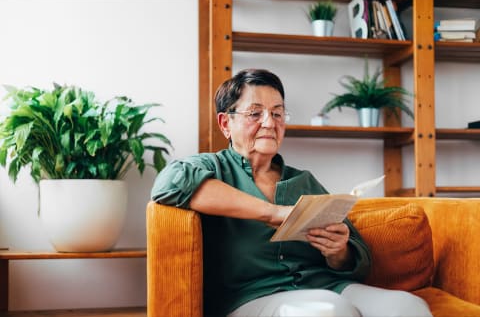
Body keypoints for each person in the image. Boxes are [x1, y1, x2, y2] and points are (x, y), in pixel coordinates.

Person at [151, 68, 432, 317]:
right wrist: (274, 213)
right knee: (329, 310)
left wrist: (339, 251)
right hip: (251, 297)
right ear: (226, 123)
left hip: (328, 285)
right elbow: (169, 184)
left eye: (277, 113)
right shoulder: (211, 168)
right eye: (255, 113)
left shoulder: (303, 181)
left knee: (408, 307)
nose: (270, 123)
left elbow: (357, 262)